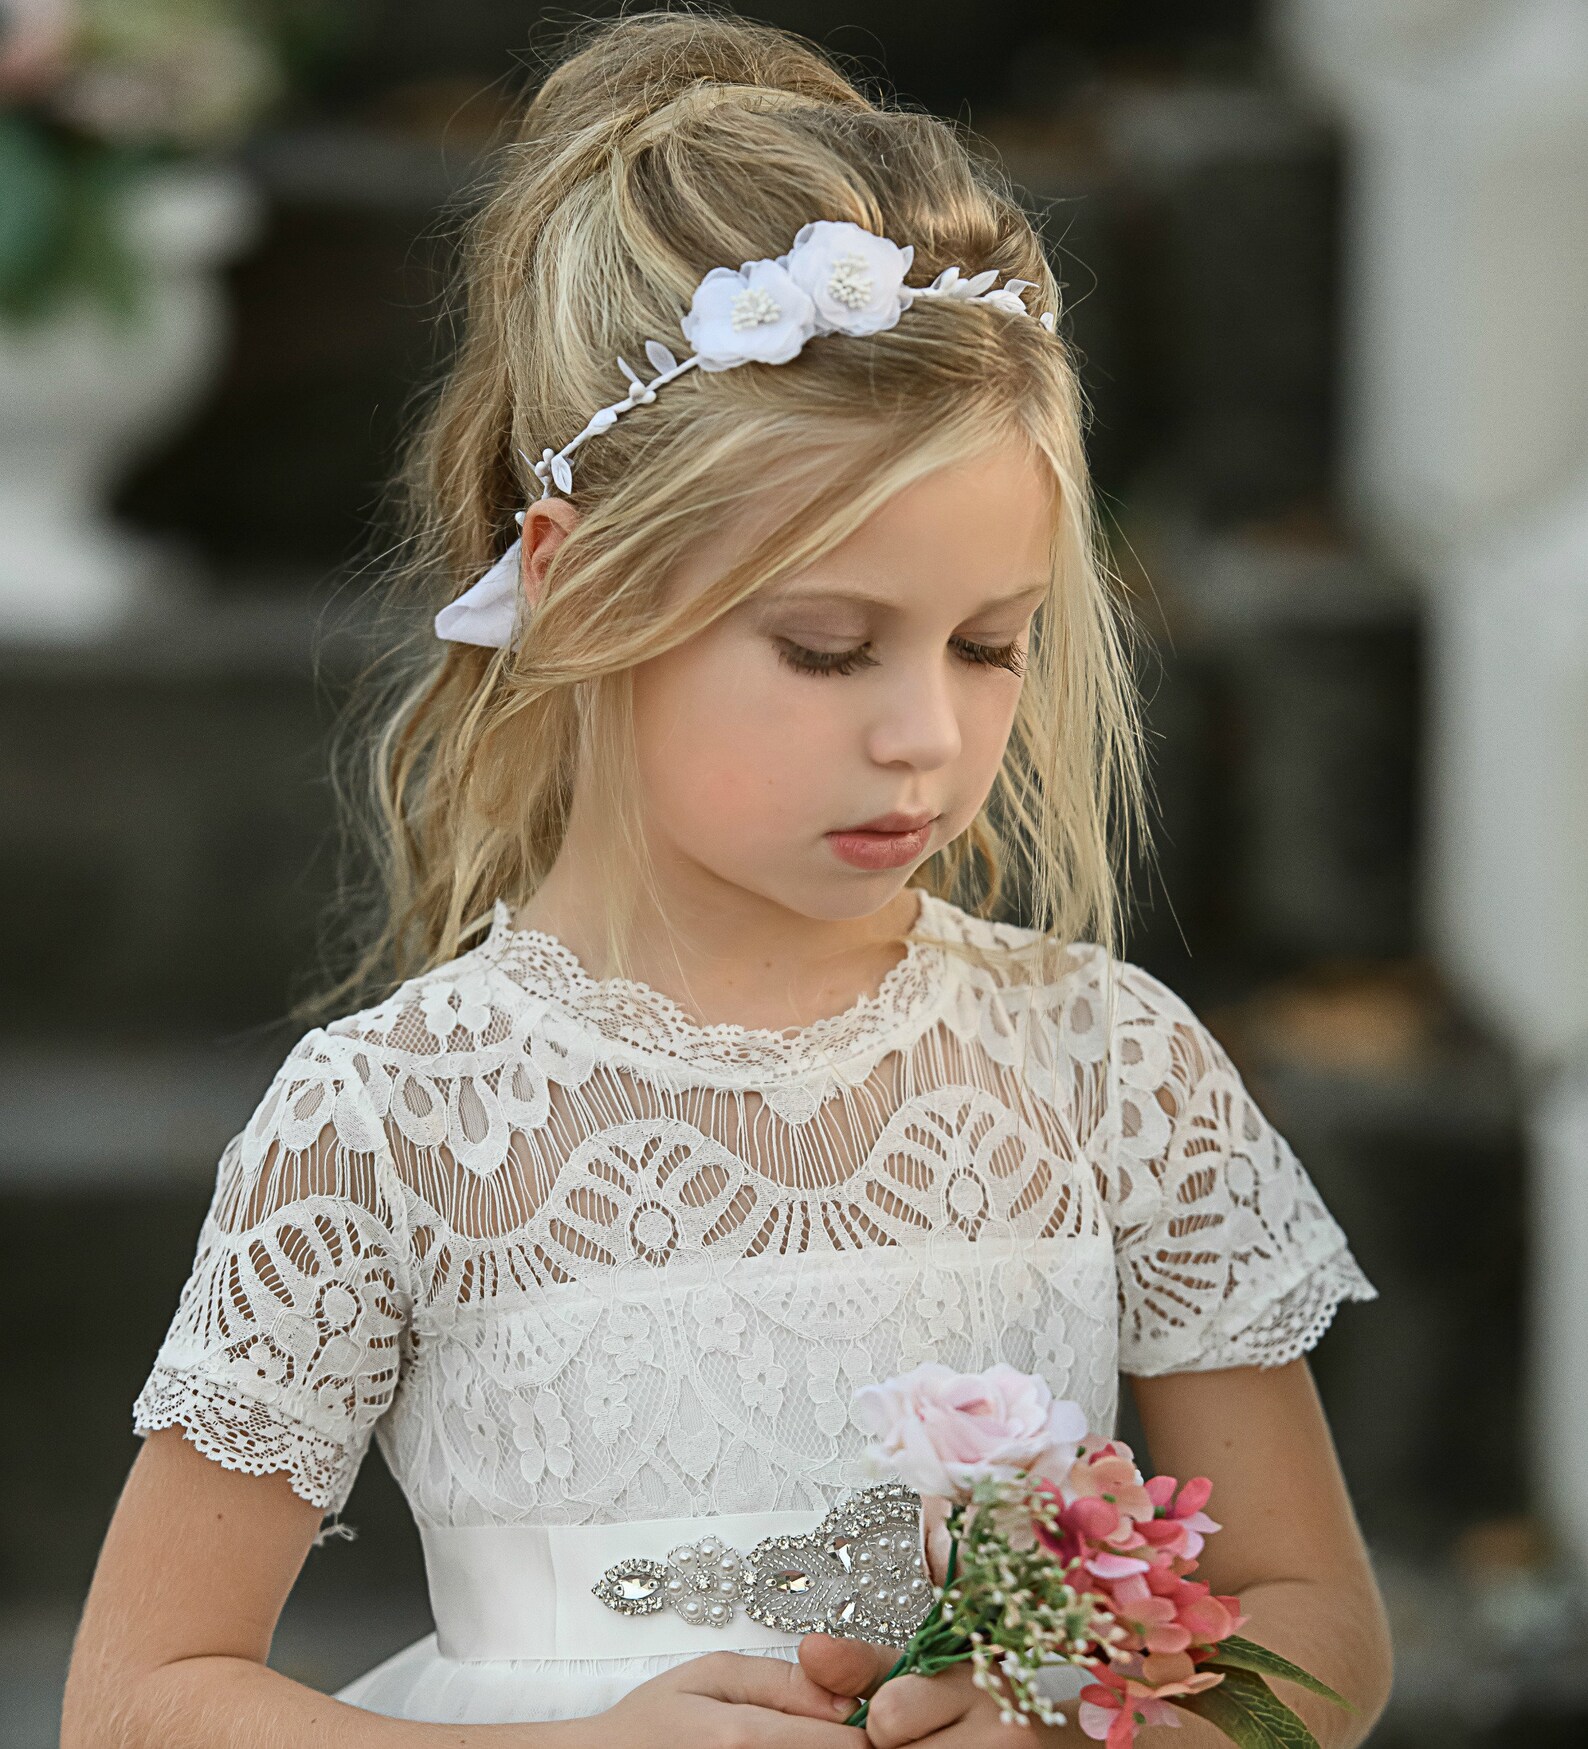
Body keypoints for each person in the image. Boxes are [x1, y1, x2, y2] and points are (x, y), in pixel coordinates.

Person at [61, 11, 1395, 1747]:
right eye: (830, 648)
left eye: (992, 645)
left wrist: (1096, 1729)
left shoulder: (1112, 1068)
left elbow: (1321, 1627)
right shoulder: (395, 1124)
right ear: (583, 580)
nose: (926, 733)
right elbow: (138, 1698)